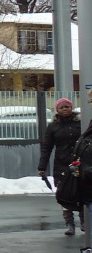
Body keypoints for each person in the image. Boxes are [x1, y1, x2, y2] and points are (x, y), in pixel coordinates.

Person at [39, 97, 84, 236]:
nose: (65, 109)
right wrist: (42, 167)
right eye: (62, 107)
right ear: (57, 110)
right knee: (64, 194)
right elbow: (46, 147)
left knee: (83, 193)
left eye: (67, 106)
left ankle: (84, 222)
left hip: (80, 163)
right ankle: (70, 225)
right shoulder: (53, 126)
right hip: (62, 165)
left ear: (72, 108)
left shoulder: (80, 123)